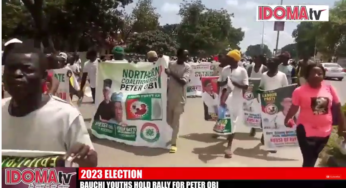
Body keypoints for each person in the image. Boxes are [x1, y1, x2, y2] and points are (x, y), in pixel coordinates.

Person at [2, 43, 97, 167]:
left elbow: (90, 163)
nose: (17, 74)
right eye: (11, 69)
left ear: (44, 77)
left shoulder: (66, 116)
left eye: (28, 69)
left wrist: (87, 158)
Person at [284, 62, 346, 167]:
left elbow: (338, 107)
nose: (316, 75)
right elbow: (294, 107)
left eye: (319, 73)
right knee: (309, 159)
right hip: (305, 131)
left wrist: (342, 127)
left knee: (313, 158)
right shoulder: (299, 91)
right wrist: (287, 118)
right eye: (313, 73)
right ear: (307, 75)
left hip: (324, 132)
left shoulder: (329, 89)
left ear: (323, 75)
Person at [217, 49, 249, 158]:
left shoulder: (242, 71)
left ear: (234, 59)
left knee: (233, 121)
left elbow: (245, 86)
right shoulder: (225, 69)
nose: (225, 59)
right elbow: (219, 82)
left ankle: (229, 146)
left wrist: (233, 83)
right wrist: (225, 82)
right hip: (224, 98)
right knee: (225, 119)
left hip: (236, 99)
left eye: (228, 57)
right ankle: (228, 136)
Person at [256, 58, 289, 150]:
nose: (270, 66)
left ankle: (272, 145)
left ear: (277, 65)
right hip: (266, 103)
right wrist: (259, 93)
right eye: (269, 65)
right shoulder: (264, 75)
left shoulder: (282, 75)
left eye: (272, 64)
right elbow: (260, 87)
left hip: (278, 103)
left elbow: (285, 89)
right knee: (265, 122)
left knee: (276, 123)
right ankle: (265, 134)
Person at [166, 48, 192, 153]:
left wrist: (171, 73)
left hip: (180, 98)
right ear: (178, 55)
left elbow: (182, 82)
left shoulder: (188, 67)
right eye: (185, 55)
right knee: (169, 120)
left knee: (175, 120)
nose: (187, 57)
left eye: (187, 55)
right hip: (169, 97)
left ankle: (173, 143)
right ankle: (175, 132)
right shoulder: (171, 64)